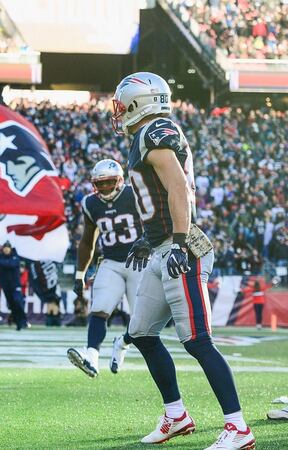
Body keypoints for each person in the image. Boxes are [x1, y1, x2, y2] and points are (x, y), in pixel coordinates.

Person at [114, 72, 254, 448]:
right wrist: (150, 238)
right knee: (142, 332)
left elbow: (178, 187)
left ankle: (238, 428)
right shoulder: (148, 134)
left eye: (121, 102)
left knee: (198, 341)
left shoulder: (154, 131)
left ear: (136, 102)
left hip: (183, 248)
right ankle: (176, 415)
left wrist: (177, 242)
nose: (117, 110)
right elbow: (161, 195)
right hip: (164, 246)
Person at [66, 159, 143, 378]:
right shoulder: (91, 203)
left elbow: (153, 223)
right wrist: (80, 274)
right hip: (110, 262)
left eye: (110, 182)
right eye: (101, 183)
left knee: (143, 323)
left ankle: (122, 343)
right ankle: (91, 355)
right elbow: (88, 240)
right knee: (99, 308)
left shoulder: (134, 195)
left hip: (139, 262)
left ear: (119, 180)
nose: (106, 188)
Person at [0, 242, 29, 330]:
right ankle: (18, 323)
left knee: (18, 302)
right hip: (6, 286)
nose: (6, 249)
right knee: (12, 305)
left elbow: (10, 264)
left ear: (10, 249)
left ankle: (23, 321)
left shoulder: (15, 257)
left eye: (8, 248)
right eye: (5, 248)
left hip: (15, 285)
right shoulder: (1, 257)